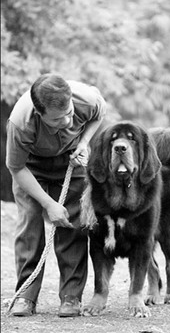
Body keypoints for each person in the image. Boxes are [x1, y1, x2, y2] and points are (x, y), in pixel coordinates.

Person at [6, 73, 106, 317]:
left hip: (71, 160)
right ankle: (25, 296)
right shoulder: (21, 122)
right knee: (30, 223)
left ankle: (71, 296)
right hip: (31, 167)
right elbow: (16, 168)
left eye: (69, 112)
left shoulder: (87, 98)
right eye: (58, 119)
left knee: (73, 223)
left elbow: (99, 115)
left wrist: (83, 143)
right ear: (40, 114)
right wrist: (48, 204)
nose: (67, 120)